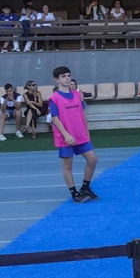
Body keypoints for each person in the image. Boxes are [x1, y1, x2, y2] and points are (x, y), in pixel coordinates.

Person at [48, 66, 98, 203]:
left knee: (93, 159)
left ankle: (85, 187)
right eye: (63, 76)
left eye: (68, 75)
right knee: (67, 165)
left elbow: (82, 114)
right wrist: (66, 134)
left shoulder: (77, 95)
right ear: (56, 80)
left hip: (80, 134)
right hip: (66, 137)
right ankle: (74, 192)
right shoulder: (54, 98)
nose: (67, 78)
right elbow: (55, 118)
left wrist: (86, 131)